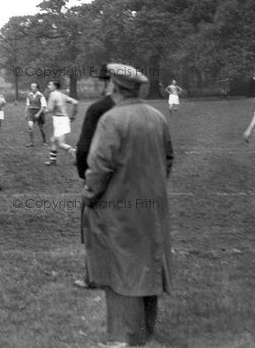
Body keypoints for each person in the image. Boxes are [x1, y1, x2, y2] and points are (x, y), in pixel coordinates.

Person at [82, 63, 173, 346]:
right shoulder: (157, 117)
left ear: (114, 86)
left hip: (119, 211)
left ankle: (123, 339)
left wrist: (89, 195)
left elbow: (99, 167)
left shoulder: (112, 119)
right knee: (147, 265)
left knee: (121, 270)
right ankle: (145, 333)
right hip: (151, 208)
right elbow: (168, 159)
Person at [72, 64, 115, 290]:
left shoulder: (98, 109)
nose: (96, 84)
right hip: (130, 179)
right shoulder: (139, 110)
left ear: (108, 82)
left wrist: (84, 175)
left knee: (92, 227)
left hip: (100, 177)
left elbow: (83, 149)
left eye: (100, 80)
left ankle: (93, 276)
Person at [44, 80, 78, 166]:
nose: (48, 86)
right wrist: (73, 116)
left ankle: (77, 154)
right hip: (63, 119)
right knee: (53, 140)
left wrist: (43, 111)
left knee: (60, 144)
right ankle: (52, 161)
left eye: (49, 84)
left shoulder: (53, 94)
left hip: (59, 120)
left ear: (55, 86)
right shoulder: (62, 95)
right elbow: (75, 102)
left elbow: (50, 109)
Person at [24, 83, 47, 147]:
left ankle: (44, 141)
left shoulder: (41, 96)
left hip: (39, 112)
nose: (32, 88)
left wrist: (38, 114)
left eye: (33, 86)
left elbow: (43, 106)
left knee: (41, 129)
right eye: (31, 86)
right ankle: (31, 142)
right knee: (30, 127)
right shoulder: (29, 95)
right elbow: (27, 105)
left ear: (37, 88)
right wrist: (25, 113)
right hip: (31, 112)